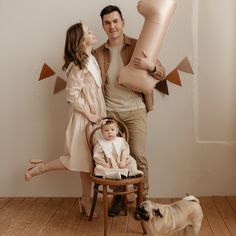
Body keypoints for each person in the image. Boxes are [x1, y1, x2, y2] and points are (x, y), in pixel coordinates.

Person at [24, 22, 106, 217]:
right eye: (88, 31)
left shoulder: (91, 59)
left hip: (96, 116)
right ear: (79, 40)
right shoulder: (78, 65)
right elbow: (72, 94)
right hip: (84, 118)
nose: (92, 31)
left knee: (87, 163)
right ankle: (39, 168)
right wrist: (89, 114)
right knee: (76, 159)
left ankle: (85, 201)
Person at [94, 5, 165, 218]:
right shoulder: (98, 53)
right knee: (113, 157)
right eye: (107, 22)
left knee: (138, 155)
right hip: (111, 114)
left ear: (123, 22)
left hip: (135, 110)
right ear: (103, 26)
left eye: (115, 21)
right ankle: (119, 198)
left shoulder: (137, 45)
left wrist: (150, 65)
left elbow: (161, 73)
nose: (112, 26)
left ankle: (142, 200)